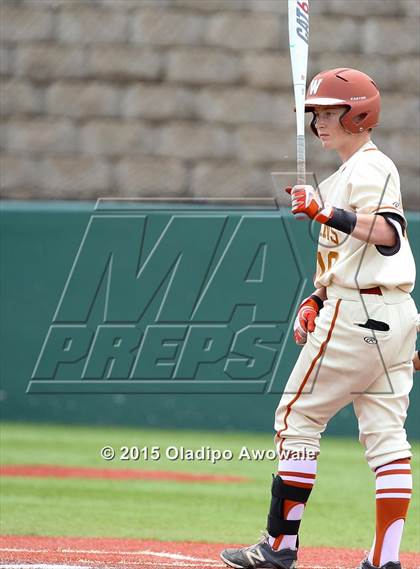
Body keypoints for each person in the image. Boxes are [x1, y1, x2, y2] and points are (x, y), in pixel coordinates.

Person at [220, 68, 418, 569]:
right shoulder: (339, 178)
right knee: (387, 436)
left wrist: (323, 213)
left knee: (297, 419)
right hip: (389, 315)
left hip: (361, 315)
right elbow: (345, 261)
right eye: (316, 113)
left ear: (359, 113)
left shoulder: (372, 168)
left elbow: (389, 234)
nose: (320, 122)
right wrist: (315, 298)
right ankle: (384, 558)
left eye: (330, 111)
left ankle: (280, 547)